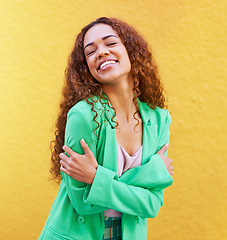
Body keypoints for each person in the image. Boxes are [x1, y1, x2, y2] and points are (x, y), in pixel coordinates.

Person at [38, 17, 174, 240]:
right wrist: (150, 174)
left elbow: (152, 204)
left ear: (131, 51)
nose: (101, 52)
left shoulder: (159, 119)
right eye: (90, 52)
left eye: (111, 43)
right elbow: (83, 203)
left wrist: (95, 177)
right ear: (86, 67)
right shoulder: (84, 115)